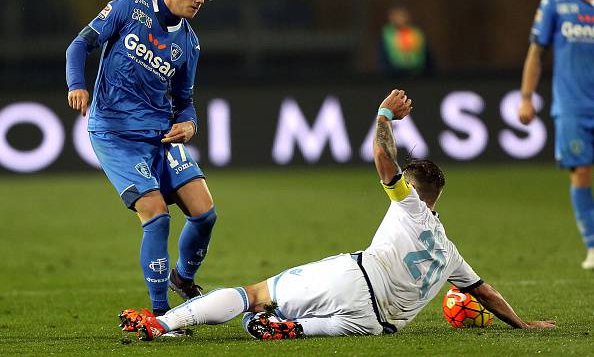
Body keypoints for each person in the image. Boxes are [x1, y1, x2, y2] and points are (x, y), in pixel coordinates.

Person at [119, 89, 555, 341]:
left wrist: (385, 113)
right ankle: (291, 329)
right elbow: (486, 293)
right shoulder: (450, 252)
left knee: (255, 294)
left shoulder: (408, 205)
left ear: (413, 188)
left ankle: (163, 322)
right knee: (286, 324)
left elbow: (384, 159)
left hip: (355, 278)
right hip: (372, 325)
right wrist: (524, 324)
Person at [65, 0, 218, 322]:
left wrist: (191, 124)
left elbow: (185, 101)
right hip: (115, 133)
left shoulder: (190, 44)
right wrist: (77, 84)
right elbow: (80, 44)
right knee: (157, 215)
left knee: (204, 214)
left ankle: (183, 278)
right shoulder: (128, 7)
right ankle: (161, 314)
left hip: (161, 134)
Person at [519, 0, 594, 270]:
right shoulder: (555, 3)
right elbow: (537, 52)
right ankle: (593, 245)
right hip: (573, 106)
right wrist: (526, 97)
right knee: (581, 171)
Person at [379, 4, 434, 78]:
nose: (398, 18)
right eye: (395, 15)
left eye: (401, 15)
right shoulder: (387, 34)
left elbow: (426, 54)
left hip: (417, 74)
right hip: (393, 74)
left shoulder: (416, 33)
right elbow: (383, 56)